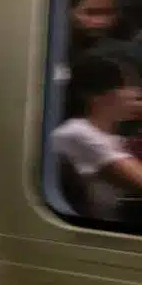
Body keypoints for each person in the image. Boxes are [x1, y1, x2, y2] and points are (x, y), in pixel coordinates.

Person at [51, 51, 142, 223]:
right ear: (97, 97)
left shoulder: (113, 138)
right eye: (128, 85)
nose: (136, 92)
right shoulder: (77, 134)